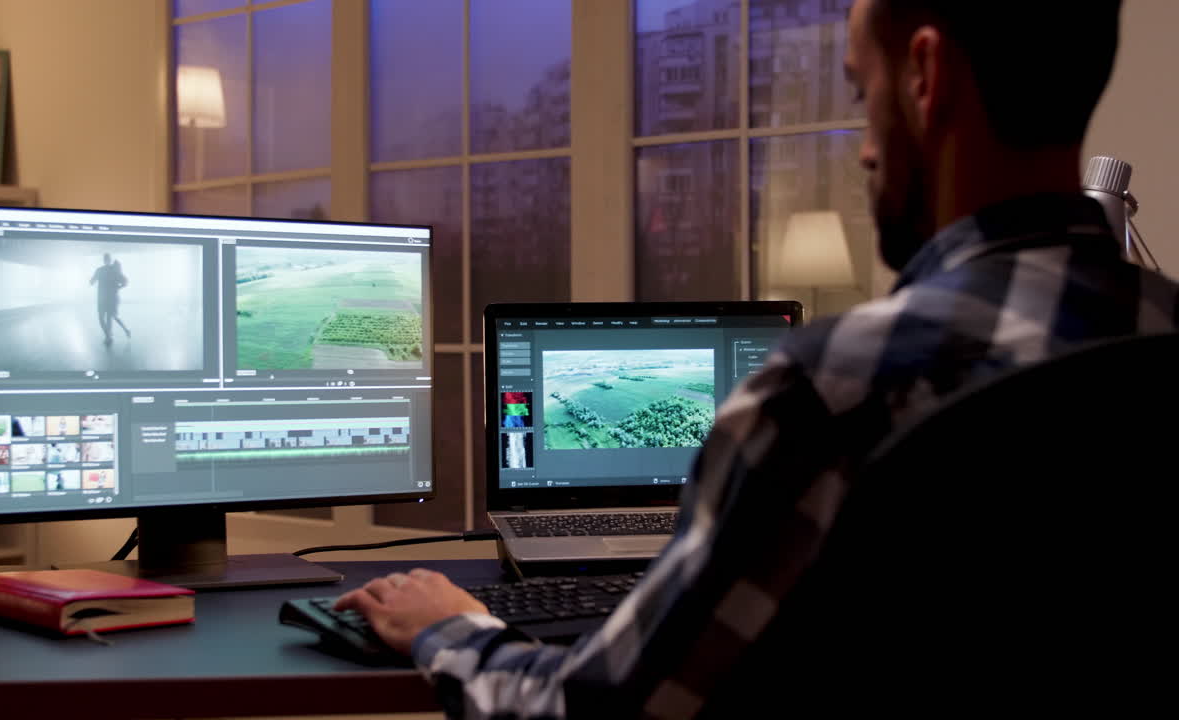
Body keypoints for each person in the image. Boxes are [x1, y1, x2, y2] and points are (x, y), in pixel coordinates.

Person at [335, 1, 1176, 717]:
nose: (864, 148)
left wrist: (449, 628)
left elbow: (598, 711)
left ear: (925, 76)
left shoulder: (836, 392)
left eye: (862, 93)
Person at [90, 253, 128, 345]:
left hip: (106, 298)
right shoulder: (110, 270)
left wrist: (118, 287)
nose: (106, 260)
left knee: (105, 318)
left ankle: (108, 337)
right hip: (108, 298)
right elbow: (125, 282)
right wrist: (118, 287)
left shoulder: (102, 270)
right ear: (108, 260)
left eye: (106, 259)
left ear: (105, 260)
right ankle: (109, 335)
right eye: (106, 259)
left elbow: (92, 282)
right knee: (108, 318)